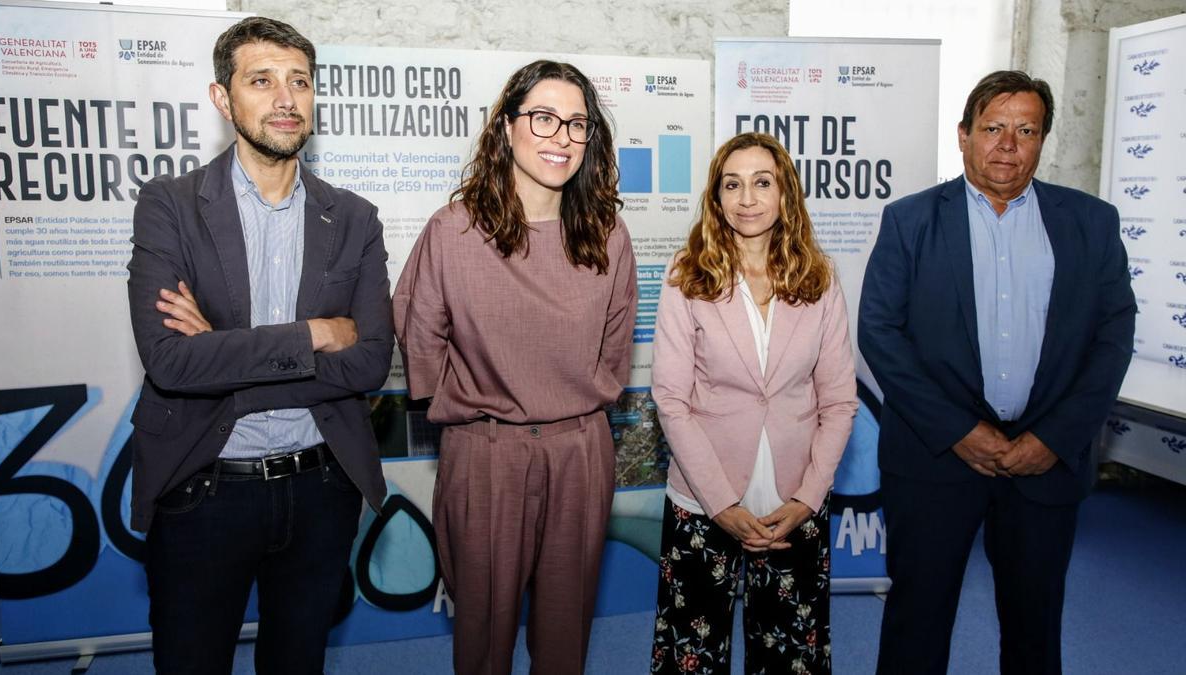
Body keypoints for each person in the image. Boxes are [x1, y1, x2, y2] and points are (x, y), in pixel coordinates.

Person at [126, 16, 392, 674]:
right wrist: (313, 335)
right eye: (262, 80)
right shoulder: (169, 206)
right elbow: (170, 361)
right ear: (224, 98)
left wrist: (227, 350)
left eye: (299, 82)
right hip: (204, 488)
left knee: (298, 663)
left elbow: (368, 360)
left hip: (322, 485)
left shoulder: (354, 217)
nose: (285, 98)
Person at [860, 70, 1136, 675]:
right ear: (963, 136)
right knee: (918, 620)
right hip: (935, 460)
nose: (1007, 144)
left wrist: (1055, 438)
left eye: (1026, 130)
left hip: (1044, 464)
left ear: (1042, 141)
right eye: (992, 128)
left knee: (1036, 625)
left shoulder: (1092, 223)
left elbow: (1113, 337)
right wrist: (960, 430)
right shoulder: (910, 222)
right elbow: (879, 333)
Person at [392, 60, 636, 674]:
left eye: (578, 124)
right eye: (545, 118)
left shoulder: (607, 234)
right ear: (506, 127)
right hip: (486, 455)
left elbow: (615, 346)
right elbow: (419, 334)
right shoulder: (453, 232)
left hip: (580, 451)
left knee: (564, 634)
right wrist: (477, 404)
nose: (562, 137)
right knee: (482, 635)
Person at [649, 132, 858, 675]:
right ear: (716, 198)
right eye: (732, 184)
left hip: (795, 499)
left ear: (785, 192)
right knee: (690, 659)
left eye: (762, 182)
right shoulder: (685, 277)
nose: (747, 199)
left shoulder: (820, 279)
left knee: (791, 656)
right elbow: (671, 400)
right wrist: (721, 504)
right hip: (705, 498)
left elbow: (838, 401)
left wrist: (809, 498)